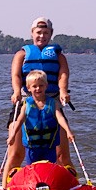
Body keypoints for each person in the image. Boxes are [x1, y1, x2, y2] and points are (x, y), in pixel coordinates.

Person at [8, 17, 73, 166]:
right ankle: (8, 178)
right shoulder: (21, 55)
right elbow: (16, 75)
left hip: (51, 101)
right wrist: (16, 91)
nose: (42, 36)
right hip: (26, 101)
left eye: (46, 33)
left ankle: (68, 177)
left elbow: (63, 75)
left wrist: (63, 91)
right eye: (38, 32)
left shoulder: (59, 56)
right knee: (16, 153)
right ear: (32, 33)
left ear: (51, 34)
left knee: (62, 155)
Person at [0, 70, 75, 188]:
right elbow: (19, 121)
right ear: (28, 88)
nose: (38, 88)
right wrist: (12, 136)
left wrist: (68, 132)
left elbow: (60, 118)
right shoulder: (26, 105)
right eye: (34, 86)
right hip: (32, 148)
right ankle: (12, 187)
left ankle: (55, 188)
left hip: (49, 147)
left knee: (49, 171)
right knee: (33, 171)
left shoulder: (52, 103)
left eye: (41, 85)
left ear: (46, 86)